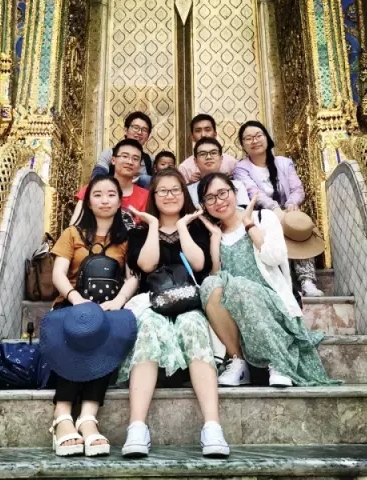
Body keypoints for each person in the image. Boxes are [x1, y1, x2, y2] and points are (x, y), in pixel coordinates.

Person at [118, 168, 229, 458]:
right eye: (163, 191)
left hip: (189, 302)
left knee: (193, 325)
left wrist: (182, 227)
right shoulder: (139, 232)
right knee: (149, 327)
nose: (170, 196)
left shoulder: (198, 228)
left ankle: (212, 427)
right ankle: (137, 427)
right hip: (152, 303)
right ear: (153, 196)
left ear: (184, 193)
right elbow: (147, 266)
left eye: (176, 190)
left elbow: (199, 263)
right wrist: (153, 225)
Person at [197, 173, 338, 388]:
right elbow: (216, 280)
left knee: (240, 287)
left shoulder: (263, 218)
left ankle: (278, 362)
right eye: (210, 198)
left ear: (234, 192)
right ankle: (238, 361)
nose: (218, 201)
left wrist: (248, 225)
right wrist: (215, 240)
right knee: (209, 285)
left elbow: (274, 257)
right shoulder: (214, 233)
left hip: (271, 301)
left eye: (223, 193)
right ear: (204, 205)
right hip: (236, 307)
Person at [41, 175, 140, 457]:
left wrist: (118, 302)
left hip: (109, 308)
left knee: (106, 332)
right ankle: (62, 416)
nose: (104, 200)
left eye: (111, 194)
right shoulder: (72, 233)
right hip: (72, 304)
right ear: (88, 201)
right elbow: (59, 273)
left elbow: (133, 277)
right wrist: (76, 299)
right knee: (78, 330)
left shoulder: (127, 238)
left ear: (120, 201)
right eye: (97, 194)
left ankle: (88, 417)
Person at [234, 120, 324, 297]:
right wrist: (275, 209)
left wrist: (291, 204)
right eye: (248, 138)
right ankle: (284, 282)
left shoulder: (284, 163)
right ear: (243, 145)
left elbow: (297, 189)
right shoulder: (241, 168)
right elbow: (254, 193)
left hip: (287, 212)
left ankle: (307, 281)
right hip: (261, 214)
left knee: (298, 222)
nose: (254, 141)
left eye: (258, 136)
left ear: (267, 138)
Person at [71, 138, 149, 229]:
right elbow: (75, 225)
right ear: (113, 160)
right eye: (125, 156)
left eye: (135, 159)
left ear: (139, 166)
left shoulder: (146, 197)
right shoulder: (93, 188)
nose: (130, 162)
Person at [93, 111, 154, 188]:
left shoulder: (150, 160)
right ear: (126, 130)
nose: (139, 132)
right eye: (136, 128)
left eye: (144, 130)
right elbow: (96, 179)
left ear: (148, 136)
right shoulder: (109, 154)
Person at [186, 137, 250, 208]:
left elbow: (244, 212)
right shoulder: (188, 191)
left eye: (213, 153)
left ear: (221, 159)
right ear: (195, 161)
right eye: (203, 154)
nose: (209, 157)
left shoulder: (237, 186)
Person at [179, 114, 237, 184]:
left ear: (215, 134)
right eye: (198, 131)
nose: (203, 135)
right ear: (192, 137)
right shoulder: (185, 168)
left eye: (207, 130)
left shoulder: (231, 163)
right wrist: (190, 183)